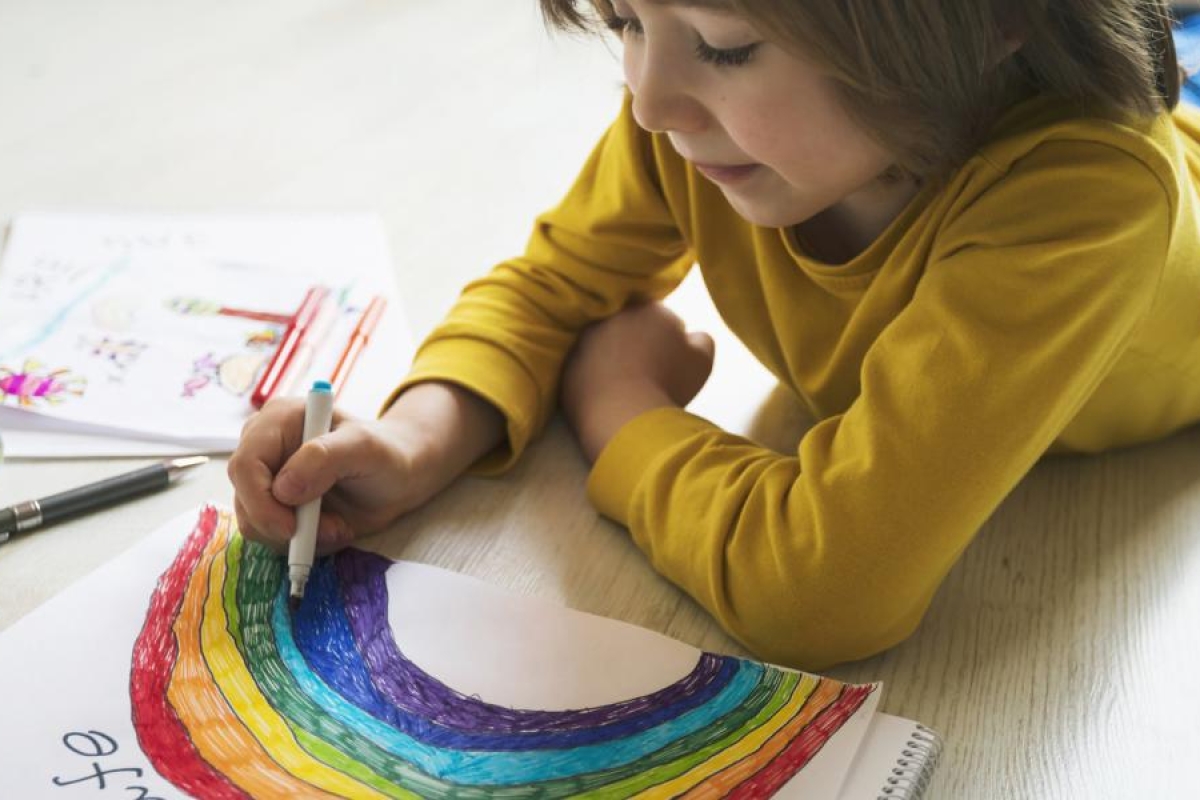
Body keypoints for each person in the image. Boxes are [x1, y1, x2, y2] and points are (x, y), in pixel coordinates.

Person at [229, 0, 1200, 670]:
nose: (649, 101)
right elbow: (551, 284)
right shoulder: (693, 124)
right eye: (626, 20)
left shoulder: (1089, 197)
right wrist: (408, 440)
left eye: (727, 45)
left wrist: (621, 408)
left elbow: (822, 591)